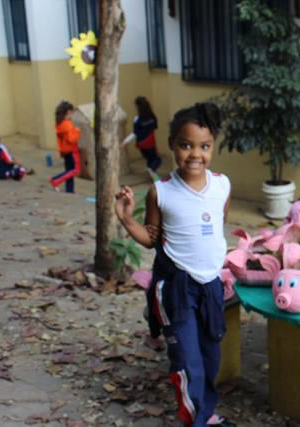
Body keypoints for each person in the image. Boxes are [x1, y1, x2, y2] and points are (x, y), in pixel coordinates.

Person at [114, 102, 234, 427]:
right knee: (186, 359)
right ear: (172, 144)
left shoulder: (222, 185)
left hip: (210, 285)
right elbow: (151, 237)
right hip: (176, 286)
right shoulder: (161, 192)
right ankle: (195, 420)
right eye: (186, 145)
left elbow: (218, 223)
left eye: (204, 146)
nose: (195, 154)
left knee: (210, 355)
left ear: (212, 147)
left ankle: (206, 414)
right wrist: (127, 219)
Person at [122, 96, 162, 173]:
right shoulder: (152, 116)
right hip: (150, 142)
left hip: (141, 144)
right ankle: (151, 169)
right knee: (157, 160)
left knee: (149, 159)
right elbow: (154, 129)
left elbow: (135, 133)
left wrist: (125, 142)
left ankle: (151, 172)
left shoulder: (137, 119)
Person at [49, 101, 81, 193]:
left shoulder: (60, 123)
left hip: (65, 150)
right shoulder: (68, 124)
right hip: (71, 150)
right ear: (68, 112)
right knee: (75, 170)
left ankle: (69, 190)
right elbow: (71, 139)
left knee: (69, 170)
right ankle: (55, 180)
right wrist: (77, 131)